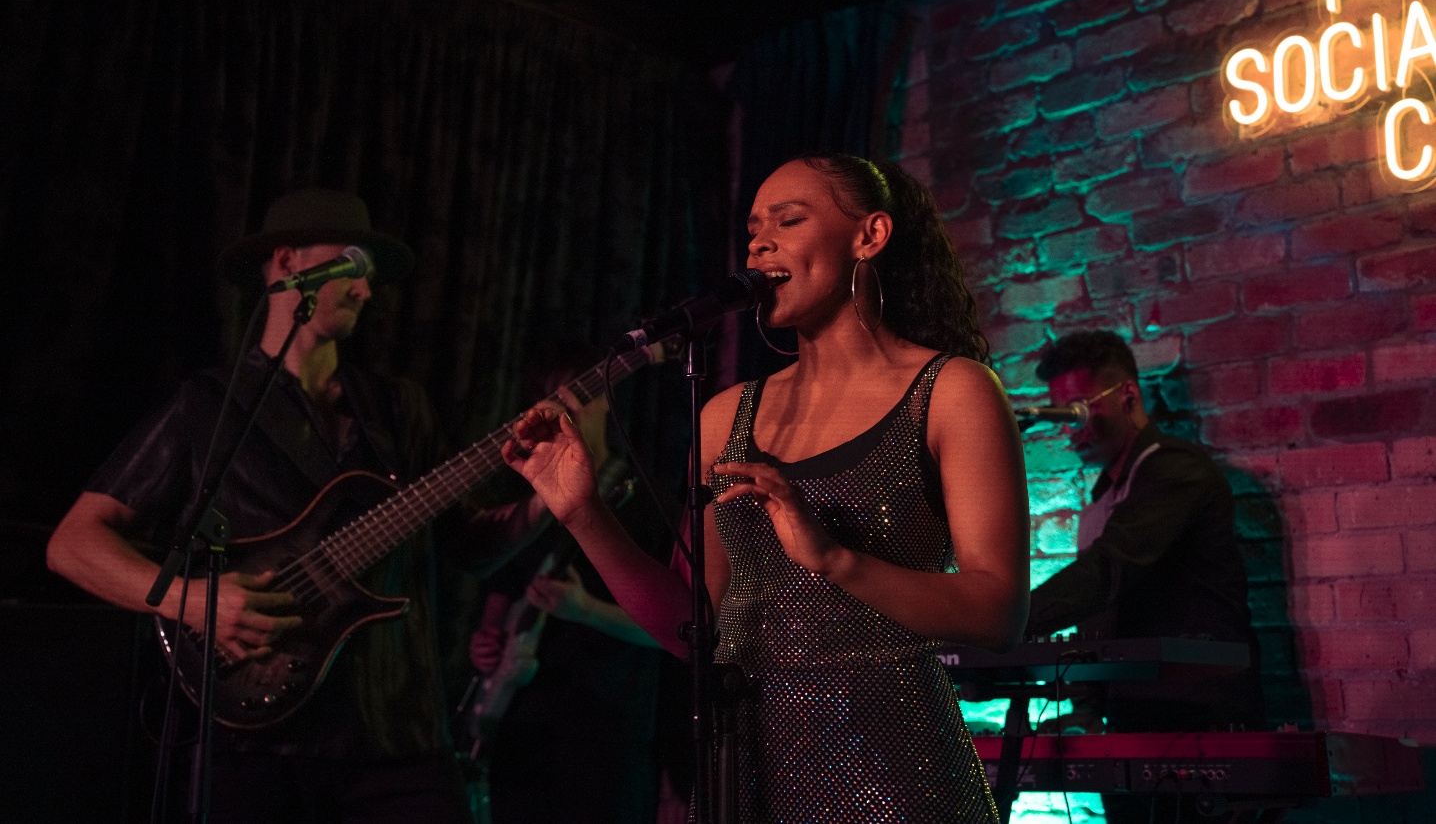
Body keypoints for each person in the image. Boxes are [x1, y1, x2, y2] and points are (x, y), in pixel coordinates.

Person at [500, 154, 1030, 824]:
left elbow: (999, 611)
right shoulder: (726, 416)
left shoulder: (952, 391)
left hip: (898, 775)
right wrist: (582, 511)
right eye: (753, 229)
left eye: (789, 219)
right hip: (748, 772)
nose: (759, 242)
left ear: (870, 235)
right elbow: (694, 630)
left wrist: (836, 559)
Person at [46, 189, 539, 824]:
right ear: (287, 263)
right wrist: (190, 598)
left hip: (396, 731)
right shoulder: (205, 405)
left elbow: (470, 548)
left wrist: (551, 504)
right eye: (352, 266)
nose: (367, 290)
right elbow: (72, 543)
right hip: (253, 742)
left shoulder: (398, 408)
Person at [1025, 330, 1264, 824]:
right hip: (1134, 721)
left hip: (1199, 719)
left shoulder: (1175, 471)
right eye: (1059, 413)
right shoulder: (1100, 498)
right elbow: (1104, 613)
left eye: (1079, 408)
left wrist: (1012, 619)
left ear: (1128, 395)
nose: (1070, 429)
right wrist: (1087, 703)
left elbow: (1112, 569)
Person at [462, 343, 682, 824]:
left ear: (608, 400)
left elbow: (680, 630)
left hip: (605, 733)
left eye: (580, 396)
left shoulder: (651, 504)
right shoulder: (527, 499)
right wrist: (486, 642)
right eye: (551, 399)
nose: (565, 411)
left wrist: (584, 609)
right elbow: (501, 585)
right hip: (520, 731)